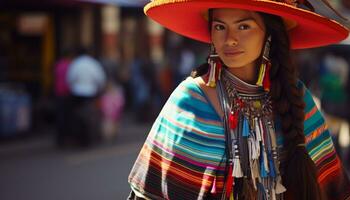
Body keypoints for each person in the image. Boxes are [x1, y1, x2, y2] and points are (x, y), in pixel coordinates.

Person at [128, 0, 350, 199]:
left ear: (270, 33)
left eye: (244, 26)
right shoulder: (189, 99)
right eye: (219, 27)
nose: (230, 39)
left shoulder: (297, 96)